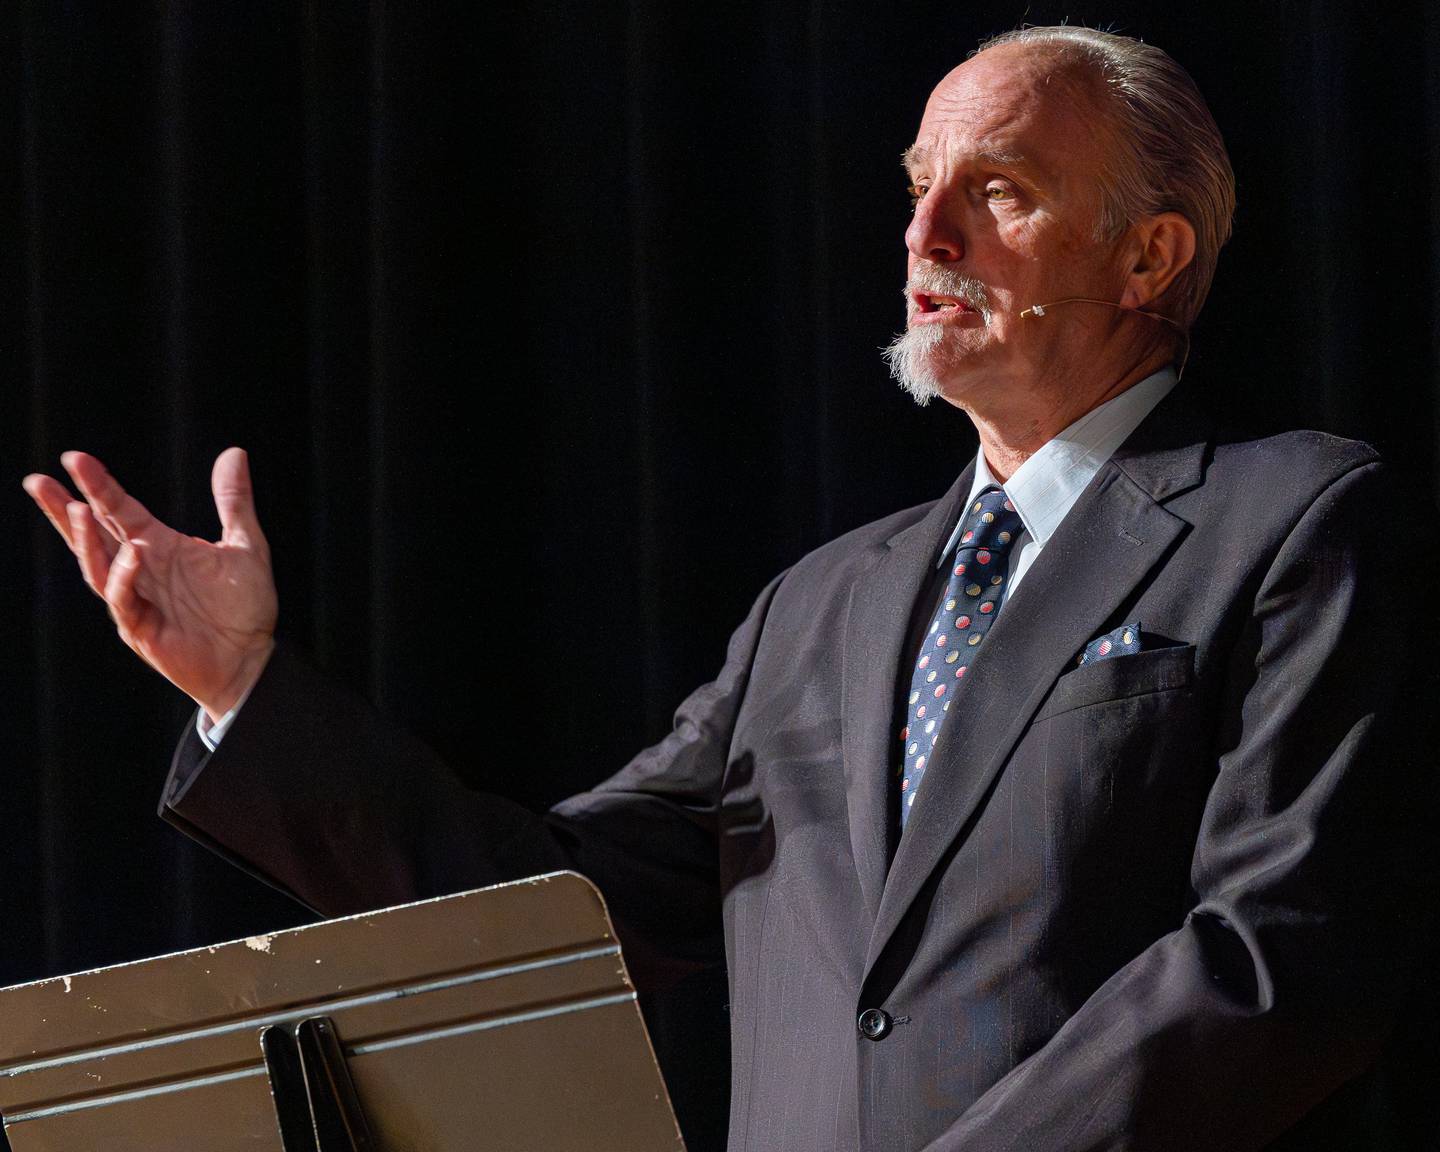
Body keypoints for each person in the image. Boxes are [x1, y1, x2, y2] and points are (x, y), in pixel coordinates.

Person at [23, 25, 1437, 1152]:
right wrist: (246, 692)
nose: (925, 234)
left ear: (1151, 255)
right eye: (915, 187)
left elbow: (1281, 957)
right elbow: (553, 917)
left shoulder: (1295, 516)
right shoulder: (821, 603)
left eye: (997, 190)